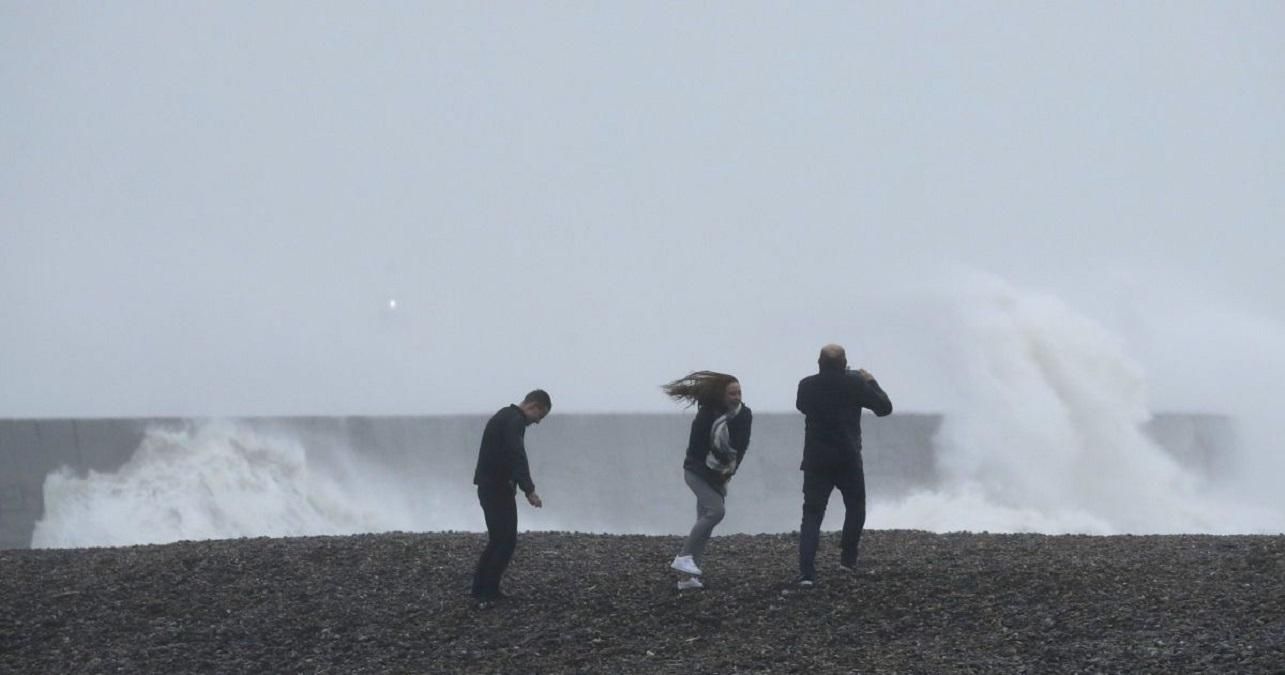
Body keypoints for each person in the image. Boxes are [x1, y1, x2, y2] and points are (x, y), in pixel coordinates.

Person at [795, 344, 892, 587]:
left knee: (812, 515)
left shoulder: (806, 385)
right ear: (844, 362)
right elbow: (884, 408)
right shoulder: (855, 384)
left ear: (819, 363)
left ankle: (807, 573)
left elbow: (802, 406)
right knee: (856, 507)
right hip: (847, 458)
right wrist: (870, 381)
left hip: (816, 459)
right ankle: (847, 560)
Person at [663, 371, 753, 590]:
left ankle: (686, 579)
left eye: (739, 392)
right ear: (721, 395)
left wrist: (727, 474)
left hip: (721, 474)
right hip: (697, 472)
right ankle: (683, 557)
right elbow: (696, 450)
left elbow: (741, 448)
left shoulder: (745, 415)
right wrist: (713, 471)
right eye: (732, 393)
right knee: (716, 512)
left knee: (704, 521)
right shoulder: (706, 415)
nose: (736, 396)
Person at [470, 389, 551, 607]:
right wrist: (529, 489)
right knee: (505, 540)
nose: (537, 422)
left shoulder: (503, 415)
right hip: (496, 488)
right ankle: (488, 590)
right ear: (533, 406)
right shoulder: (514, 421)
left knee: (498, 539)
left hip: (489, 486)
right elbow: (517, 454)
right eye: (539, 416)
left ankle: (481, 588)